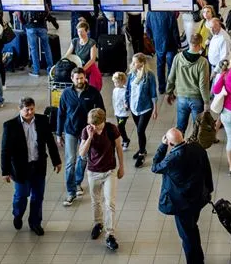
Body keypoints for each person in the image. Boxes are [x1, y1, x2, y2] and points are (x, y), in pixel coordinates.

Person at [151, 127, 214, 264]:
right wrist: (209, 190)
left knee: (187, 234)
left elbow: (155, 166)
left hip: (182, 204)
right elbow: (207, 170)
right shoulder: (197, 148)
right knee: (193, 229)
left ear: (171, 144)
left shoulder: (173, 159)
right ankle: (198, 261)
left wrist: (162, 146)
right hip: (198, 198)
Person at [0, 97, 62, 235]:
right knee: (21, 196)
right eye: (26, 110)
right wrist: (5, 171)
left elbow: (50, 143)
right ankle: (17, 214)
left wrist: (56, 161)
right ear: (20, 109)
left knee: (38, 196)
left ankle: (35, 223)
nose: (29, 112)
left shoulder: (42, 121)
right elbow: (5, 150)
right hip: (21, 168)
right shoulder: (10, 126)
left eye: (32, 109)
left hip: (38, 165)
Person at [78, 108, 124, 250]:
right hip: (93, 172)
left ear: (103, 121)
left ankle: (110, 234)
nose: (94, 127)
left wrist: (121, 166)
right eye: (91, 124)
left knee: (110, 202)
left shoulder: (111, 129)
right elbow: (82, 154)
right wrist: (90, 137)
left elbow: (118, 148)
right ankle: (98, 223)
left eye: (96, 125)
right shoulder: (87, 130)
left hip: (109, 170)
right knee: (96, 201)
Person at [57, 67, 104, 206]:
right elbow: (60, 114)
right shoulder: (66, 94)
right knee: (70, 161)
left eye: (82, 78)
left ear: (85, 78)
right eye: (77, 78)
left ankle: (78, 182)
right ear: (72, 79)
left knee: (83, 159)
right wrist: (59, 134)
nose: (79, 81)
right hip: (71, 131)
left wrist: (99, 129)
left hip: (87, 131)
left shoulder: (93, 92)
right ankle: (71, 192)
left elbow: (101, 111)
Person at [165, 33, 211, 135]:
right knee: (197, 128)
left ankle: (179, 148)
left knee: (180, 128)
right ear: (199, 44)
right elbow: (203, 85)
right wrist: (206, 102)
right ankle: (194, 148)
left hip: (181, 97)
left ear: (190, 43)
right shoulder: (203, 62)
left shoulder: (178, 58)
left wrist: (169, 92)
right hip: (196, 99)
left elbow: (171, 77)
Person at [125, 54, 159, 167]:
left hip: (145, 108)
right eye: (133, 62)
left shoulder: (149, 76)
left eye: (135, 62)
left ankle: (141, 154)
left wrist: (155, 109)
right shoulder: (131, 75)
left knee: (140, 130)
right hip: (134, 108)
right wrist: (126, 101)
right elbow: (128, 90)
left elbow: (153, 93)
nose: (133, 64)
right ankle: (142, 148)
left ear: (142, 63)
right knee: (140, 131)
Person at [145, 10, 180, 95]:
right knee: (171, 66)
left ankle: (161, 88)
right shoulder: (170, 13)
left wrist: (153, 39)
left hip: (158, 42)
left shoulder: (150, 12)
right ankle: (169, 88)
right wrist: (178, 43)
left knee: (160, 65)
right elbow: (175, 30)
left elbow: (148, 28)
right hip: (170, 43)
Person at [22, 10, 59, 78]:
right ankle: (50, 69)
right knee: (46, 47)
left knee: (33, 49)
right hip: (42, 26)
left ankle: (36, 70)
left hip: (30, 26)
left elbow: (20, 15)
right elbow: (47, 12)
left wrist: (25, 24)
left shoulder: (25, 0)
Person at [69, 19, 101, 89]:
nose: (80, 34)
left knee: (94, 86)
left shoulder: (92, 42)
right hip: (78, 66)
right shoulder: (74, 41)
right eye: (78, 31)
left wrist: (82, 69)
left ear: (87, 31)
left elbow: (92, 59)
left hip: (89, 66)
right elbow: (68, 54)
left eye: (82, 32)